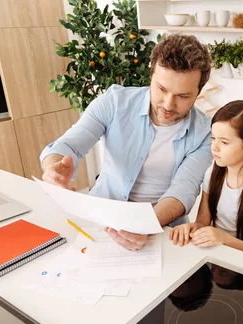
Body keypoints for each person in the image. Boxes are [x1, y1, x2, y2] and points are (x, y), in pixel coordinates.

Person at [39, 34, 213, 251]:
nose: (168, 104)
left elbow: (182, 191)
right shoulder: (114, 102)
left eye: (183, 96)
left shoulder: (205, 133)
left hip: (161, 230)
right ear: (151, 74)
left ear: (199, 91)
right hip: (101, 220)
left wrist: (144, 226)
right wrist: (53, 168)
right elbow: (68, 145)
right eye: (161, 89)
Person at [170, 100, 243, 258]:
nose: (215, 147)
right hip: (214, 255)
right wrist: (191, 227)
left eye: (224, 142)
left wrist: (223, 238)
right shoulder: (212, 172)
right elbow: (203, 222)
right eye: (213, 138)